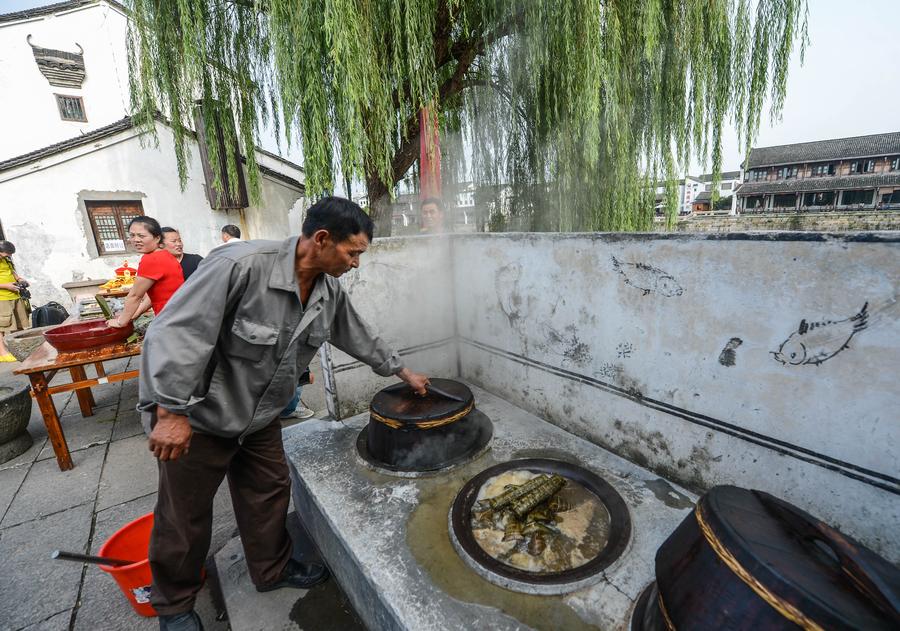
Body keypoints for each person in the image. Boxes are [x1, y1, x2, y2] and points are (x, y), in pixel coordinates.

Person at [138, 196, 429, 630]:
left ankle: (271, 570)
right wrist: (170, 412)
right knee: (184, 516)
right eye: (353, 253)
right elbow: (176, 334)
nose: (355, 264)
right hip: (201, 418)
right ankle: (174, 606)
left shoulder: (327, 291)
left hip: (259, 419)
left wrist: (403, 371)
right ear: (322, 239)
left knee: (269, 492)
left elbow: (358, 334)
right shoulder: (239, 266)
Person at [108, 217, 184, 328]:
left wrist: (120, 322)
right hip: (180, 314)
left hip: (171, 319)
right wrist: (135, 313)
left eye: (141, 236)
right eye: (132, 235)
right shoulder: (166, 255)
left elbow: (135, 296)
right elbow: (158, 293)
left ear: (157, 238)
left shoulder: (151, 259)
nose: (136, 240)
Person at [0, 241, 30, 362]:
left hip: (14, 295)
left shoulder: (6, 259)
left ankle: (19, 349)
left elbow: (12, 271)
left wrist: (20, 279)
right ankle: (2, 353)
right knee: (1, 327)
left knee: (19, 324)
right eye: (6, 255)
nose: (9, 257)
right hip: (2, 297)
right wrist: (6, 286)